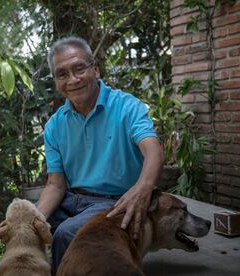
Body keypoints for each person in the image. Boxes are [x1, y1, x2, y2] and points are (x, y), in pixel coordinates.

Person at [37, 36, 164, 274]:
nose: (72, 80)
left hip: (114, 201)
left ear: (95, 70)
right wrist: (32, 219)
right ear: (55, 81)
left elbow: (153, 149)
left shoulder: (127, 106)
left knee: (66, 233)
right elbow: (55, 185)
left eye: (79, 69)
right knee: (26, 227)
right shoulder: (55, 125)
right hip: (72, 199)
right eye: (62, 74)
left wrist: (144, 186)